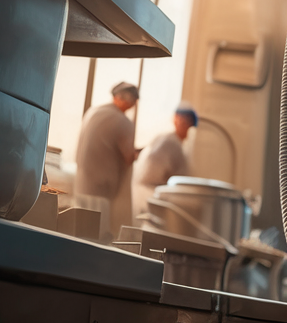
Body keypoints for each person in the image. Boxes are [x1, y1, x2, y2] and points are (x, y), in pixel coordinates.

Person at [74, 81, 140, 240]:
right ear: (127, 100)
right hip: (101, 190)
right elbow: (128, 157)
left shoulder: (93, 111)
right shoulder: (123, 122)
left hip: (81, 185)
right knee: (97, 237)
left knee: (79, 234)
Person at [132, 103, 197, 219]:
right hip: (151, 195)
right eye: (183, 120)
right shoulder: (173, 144)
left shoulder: (164, 138)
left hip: (139, 193)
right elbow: (180, 181)